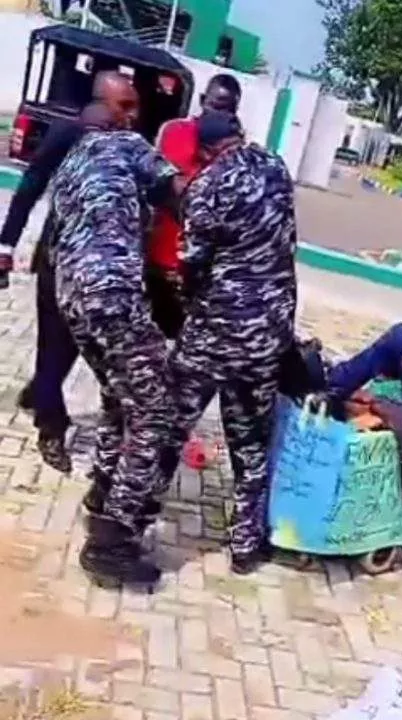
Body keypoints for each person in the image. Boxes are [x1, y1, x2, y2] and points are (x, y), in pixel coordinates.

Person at [163, 110, 298, 575]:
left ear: (203, 150)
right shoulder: (278, 168)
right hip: (267, 336)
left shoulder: (207, 188)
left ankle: (132, 522)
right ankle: (245, 545)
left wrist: (187, 298)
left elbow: (191, 264)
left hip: (214, 333)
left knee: (169, 427)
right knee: (251, 444)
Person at [51, 121, 184, 587]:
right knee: (155, 410)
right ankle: (111, 539)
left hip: (71, 293)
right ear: (105, 112)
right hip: (112, 293)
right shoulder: (127, 143)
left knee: (117, 393)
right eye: (124, 105)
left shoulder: (70, 166)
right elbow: (178, 192)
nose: (131, 116)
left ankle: (103, 489)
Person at [0, 72, 141, 473]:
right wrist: (5, 246)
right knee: (52, 346)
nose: (132, 115)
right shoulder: (67, 135)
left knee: (70, 350)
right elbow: (29, 188)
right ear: (102, 100)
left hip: (98, 275)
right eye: (124, 106)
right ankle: (51, 428)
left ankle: (40, 391)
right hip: (57, 262)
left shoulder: (126, 145)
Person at [146, 73, 243, 339]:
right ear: (202, 101)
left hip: (200, 274)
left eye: (228, 109)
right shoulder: (175, 131)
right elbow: (157, 184)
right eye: (215, 105)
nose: (219, 115)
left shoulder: (236, 148)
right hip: (160, 258)